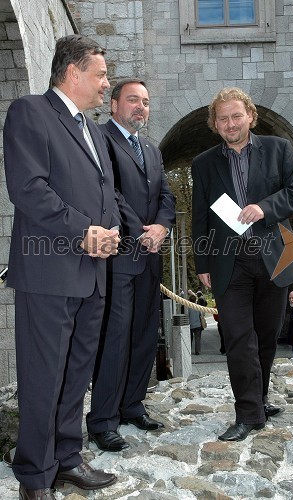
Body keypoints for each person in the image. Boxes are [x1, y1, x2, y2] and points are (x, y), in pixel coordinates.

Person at [3, 35, 121, 500]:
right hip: (48, 272)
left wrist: (109, 232)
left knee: (77, 373)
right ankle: (34, 475)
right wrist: (82, 231)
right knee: (42, 375)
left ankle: (68, 458)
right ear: (73, 72)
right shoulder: (30, 112)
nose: (105, 83)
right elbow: (28, 188)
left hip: (93, 272)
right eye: (101, 74)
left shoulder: (92, 129)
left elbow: (104, 192)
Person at [191, 87, 293, 442]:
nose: (230, 123)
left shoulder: (279, 149)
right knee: (239, 338)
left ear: (250, 117)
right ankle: (248, 414)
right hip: (230, 262)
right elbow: (200, 217)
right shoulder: (204, 163)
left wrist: (264, 207)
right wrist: (203, 262)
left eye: (236, 116)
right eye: (222, 118)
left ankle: (259, 398)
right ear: (215, 123)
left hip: (275, 255)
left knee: (267, 336)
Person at [86, 79, 175, 451]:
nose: (141, 107)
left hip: (150, 256)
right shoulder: (101, 138)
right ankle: (103, 420)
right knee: (116, 339)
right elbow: (109, 189)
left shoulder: (151, 149)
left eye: (146, 102)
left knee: (143, 335)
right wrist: (141, 229)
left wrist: (162, 226)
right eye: (133, 100)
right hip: (120, 256)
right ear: (113, 104)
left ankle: (132, 405)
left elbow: (166, 194)